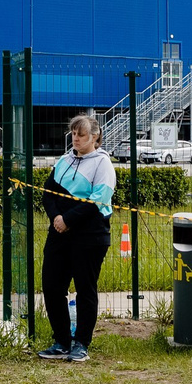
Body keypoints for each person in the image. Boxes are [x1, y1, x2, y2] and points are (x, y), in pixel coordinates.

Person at [40, 115, 114, 362]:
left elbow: (98, 199)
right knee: (51, 286)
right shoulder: (64, 160)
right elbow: (48, 193)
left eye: (81, 135)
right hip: (59, 233)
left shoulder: (103, 164)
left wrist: (68, 220)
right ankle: (61, 341)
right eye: (73, 134)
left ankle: (81, 343)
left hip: (90, 236)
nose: (76, 139)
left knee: (85, 289)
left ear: (94, 137)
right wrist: (56, 218)